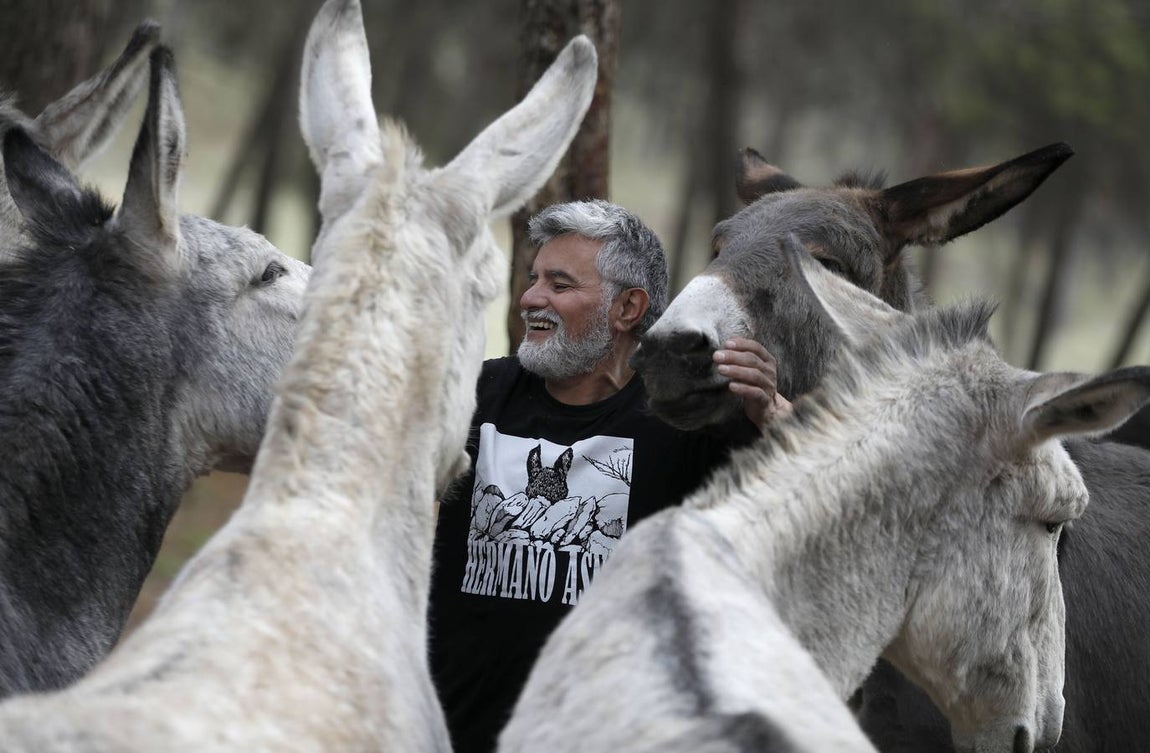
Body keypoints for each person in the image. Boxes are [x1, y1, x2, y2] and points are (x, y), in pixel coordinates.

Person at [428, 199, 789, 753]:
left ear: (627, 307)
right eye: (533, 279)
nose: (530, 298)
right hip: (451, 733)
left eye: (559, 283)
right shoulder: (474, 396)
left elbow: (802, 511)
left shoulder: (690, 419)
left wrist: (773, 417)